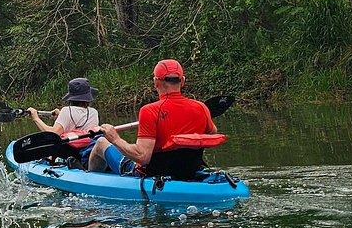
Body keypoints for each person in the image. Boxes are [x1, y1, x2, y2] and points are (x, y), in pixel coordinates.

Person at [88, 59, 216, 178]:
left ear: (156, 82)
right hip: (190, 170)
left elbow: (143, 157)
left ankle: (89, 180)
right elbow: (212, 133)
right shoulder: (201, 107)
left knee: (100, 142)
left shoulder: (149, 111)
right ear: (182, 81)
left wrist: (114, 138)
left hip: (152, 174)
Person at [28, 78, 100, 153]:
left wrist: (36, 118)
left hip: (69, 153)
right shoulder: (94, 112)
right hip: (88, 151)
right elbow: (80, 126)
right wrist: (60, 115)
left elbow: (52, 134)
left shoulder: (66, 111)